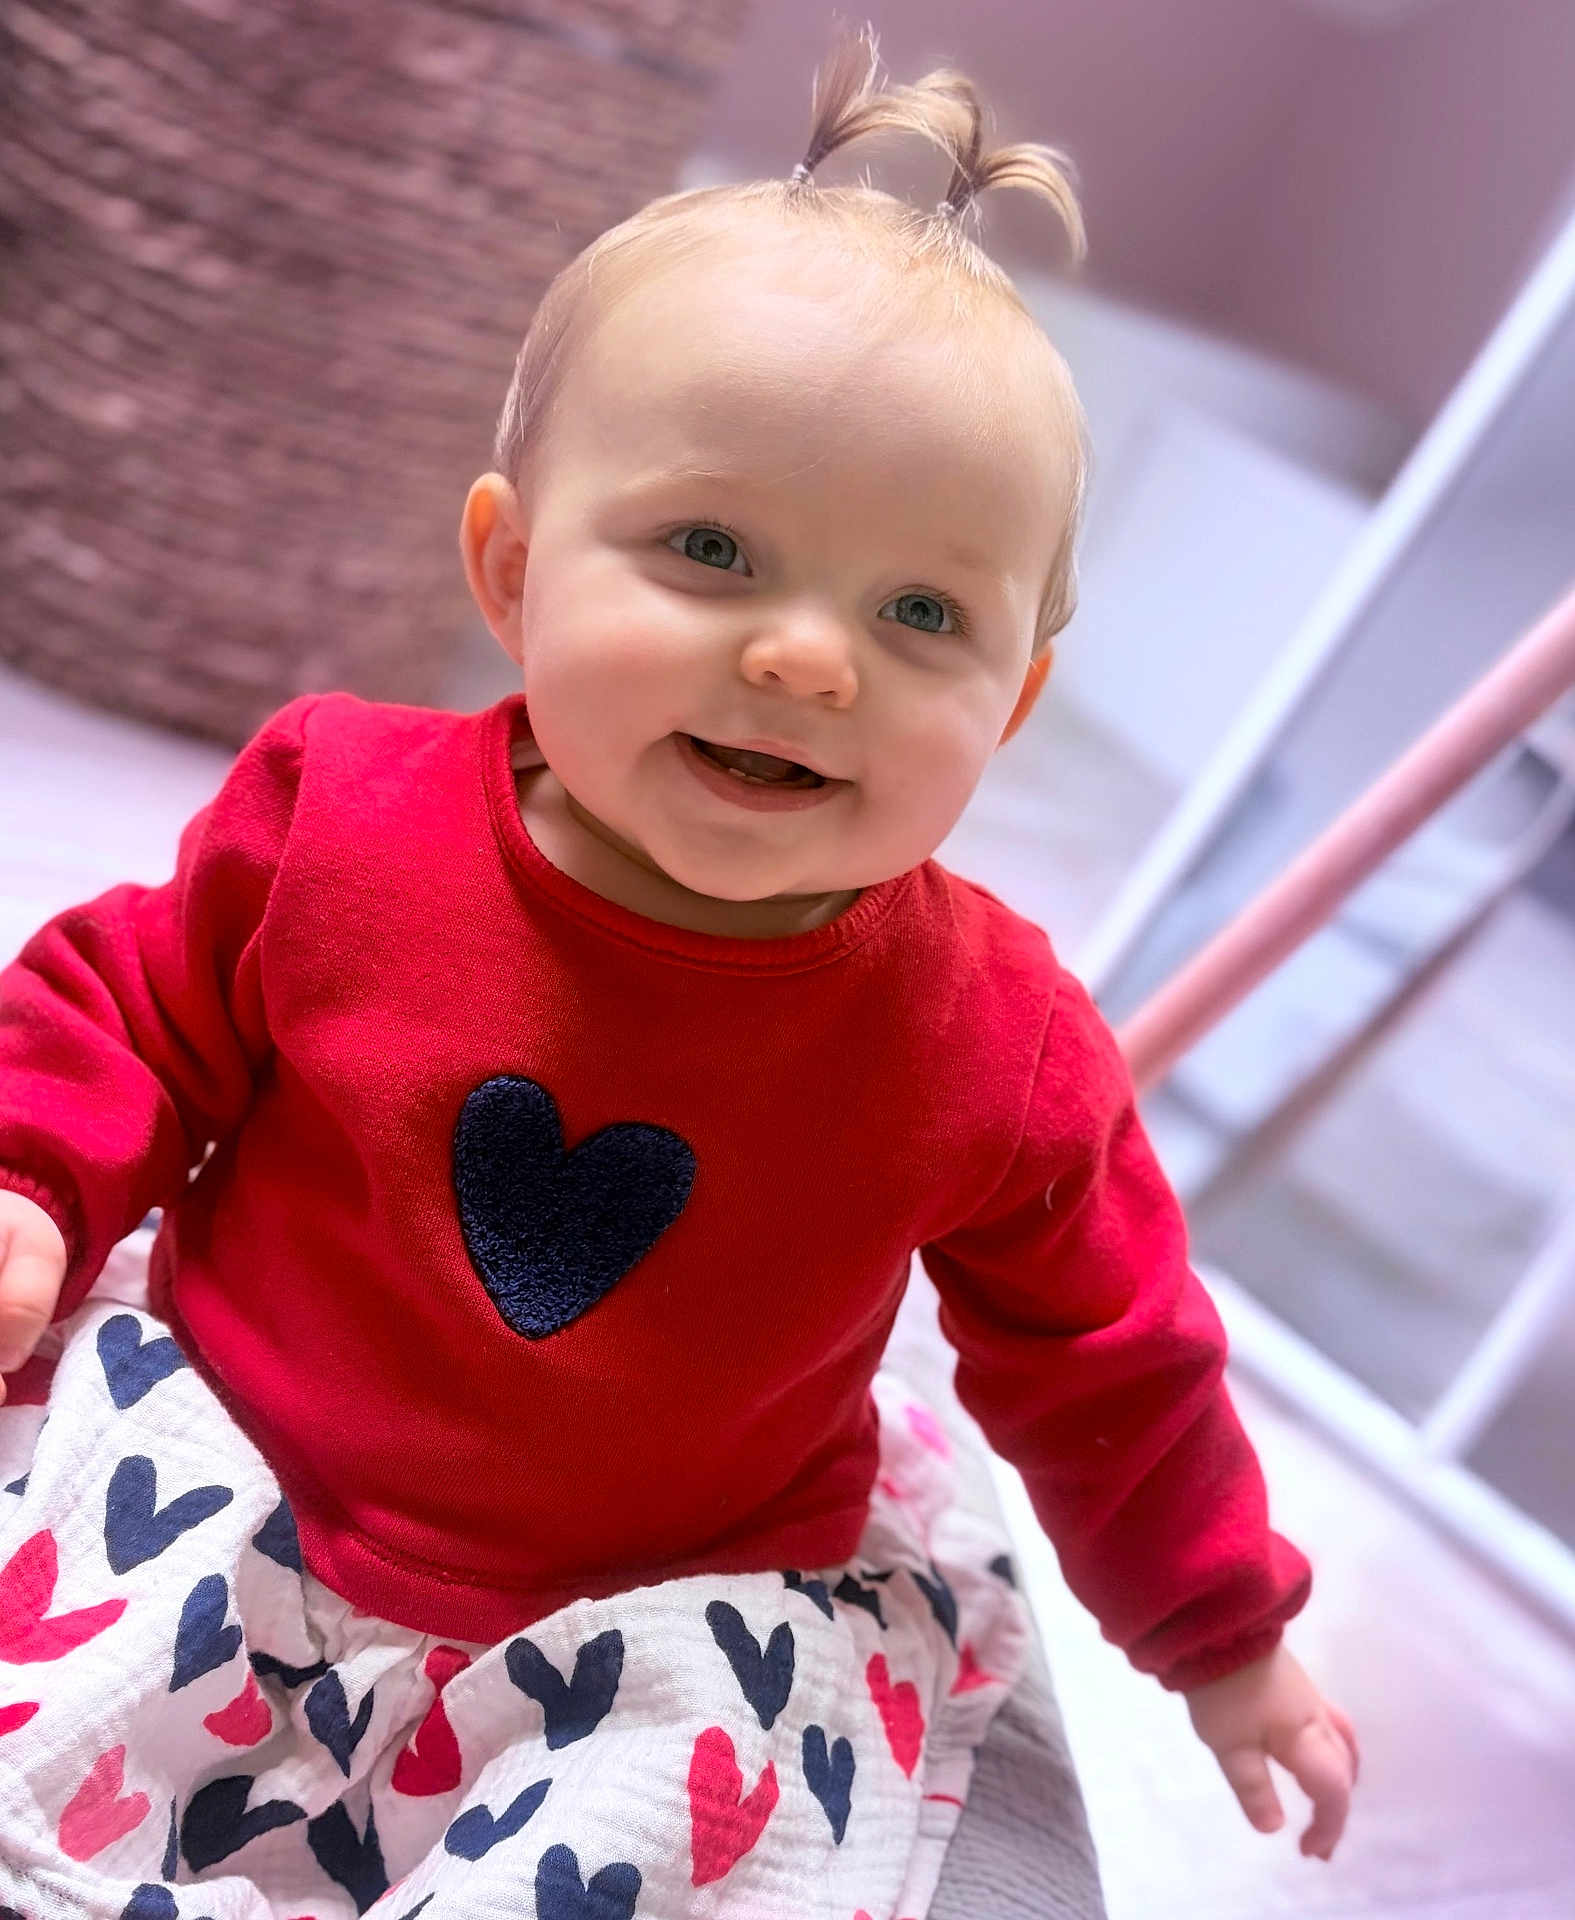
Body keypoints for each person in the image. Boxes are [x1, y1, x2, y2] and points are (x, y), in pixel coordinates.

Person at [0, 30, 1357, 1916]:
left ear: (1015, 705)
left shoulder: (995, 1040)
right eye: (712, 550)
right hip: (231, 1464)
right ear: (511, 567)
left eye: (920, 614)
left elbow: (1114, 1358)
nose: (810, 659)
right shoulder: (343, 812)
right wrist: (33, 1181)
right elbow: (130, 1000)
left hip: (673, 1618)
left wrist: (1228, 1637)